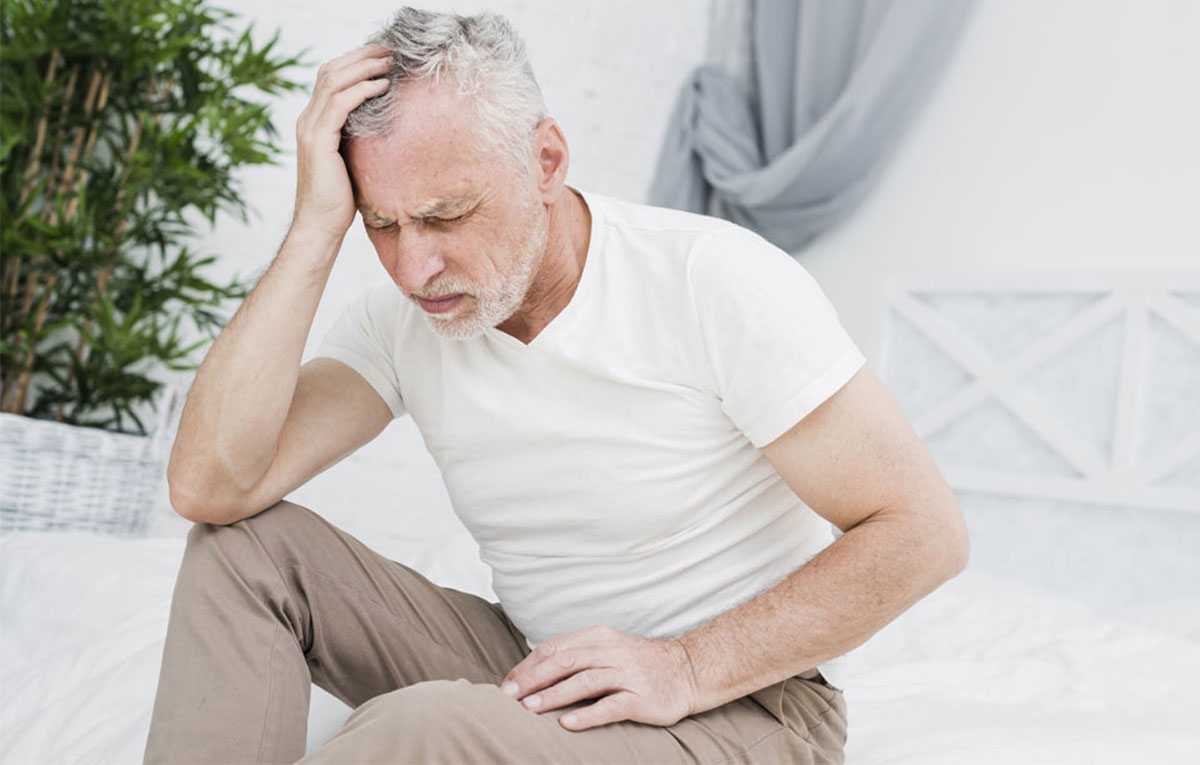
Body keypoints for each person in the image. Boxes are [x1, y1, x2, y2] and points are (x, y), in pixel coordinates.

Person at [144, 6, 969, 764]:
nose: (414, 267)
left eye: (445, 215)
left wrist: (685, 665)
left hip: (743, 704)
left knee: (418, 729)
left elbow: (923, 531)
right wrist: (313, 229)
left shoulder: (710, 279)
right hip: (545, 666)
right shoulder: (401, 323)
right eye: (382, 224)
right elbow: (211, 485)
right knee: (244, 550)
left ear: (545, 160)